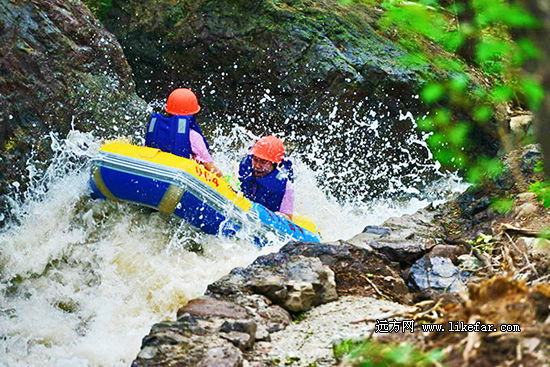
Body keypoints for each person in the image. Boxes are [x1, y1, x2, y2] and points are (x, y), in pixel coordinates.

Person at [145, 88, 222, 177]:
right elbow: (210, 167)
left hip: (155, 171)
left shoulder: (157, 129)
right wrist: (226, 184)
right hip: (179, 176)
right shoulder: (194, 136)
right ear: (193, 114)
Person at [238, 136, 294, 220]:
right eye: (255, 160)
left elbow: (288, 217)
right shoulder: (246, 167)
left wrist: (281, 216)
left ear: (274, 164)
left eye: (263, 162)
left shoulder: (286, 185)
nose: (257, 166)